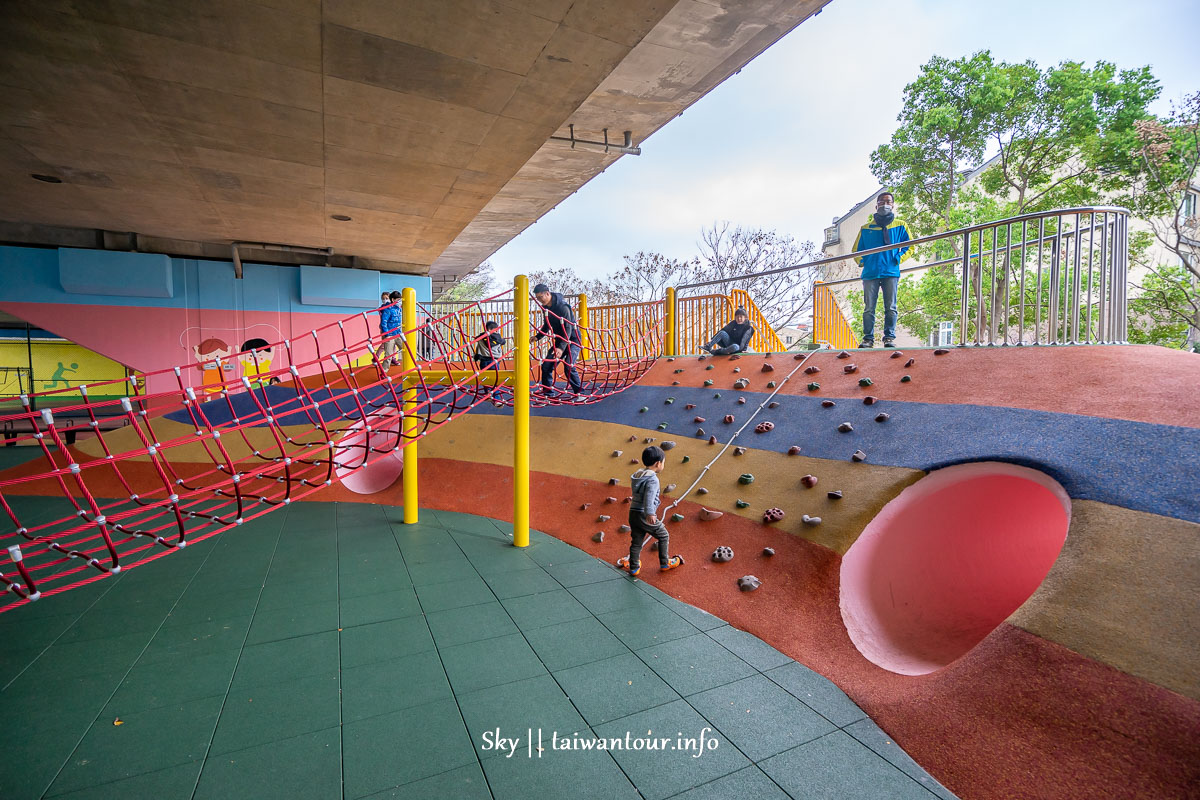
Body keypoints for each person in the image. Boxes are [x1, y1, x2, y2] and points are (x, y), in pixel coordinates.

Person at [852, 191, 912, 348]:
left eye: (888, 202)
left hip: (890, 272)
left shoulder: (900, 225)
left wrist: (898, 258)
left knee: (891, 307)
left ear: (892, 205)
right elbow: (857, 250)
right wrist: (863, 262)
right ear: (876, 205)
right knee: (868, 308)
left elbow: (910, 246)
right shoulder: (866, 228)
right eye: (881, 202)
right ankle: (868, 339)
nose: (885, 204)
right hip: (870, 273)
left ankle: (889, 337)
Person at [622, 445, 684, 577]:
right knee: (663, 535)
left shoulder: (639, 475)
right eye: (664, 462)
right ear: (658, 463)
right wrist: (650, 513)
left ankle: (634, 567)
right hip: (644, 514)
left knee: (637, 541)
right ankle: (665, 562)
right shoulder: (652, 479)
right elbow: (649, 497)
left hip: (633, 512)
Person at [533, 283, 583, 395]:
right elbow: (547, 324)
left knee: (568, 365)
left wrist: (561, 348)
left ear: (547, 293)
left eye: (541, 297)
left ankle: (580, 392)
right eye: (537, 298)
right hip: (560, 340)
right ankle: (547, 392)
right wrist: (538, 336)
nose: (540, 300)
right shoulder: (546, 308)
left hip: (573, 340)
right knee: (546, 365)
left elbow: (568, 328)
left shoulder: (563, 307)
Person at [378, 291, 402, 366]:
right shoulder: (386, 308)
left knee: (406, 349)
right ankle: (378, 359)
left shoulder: (398, 308)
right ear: (392, 299)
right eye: (398, 300)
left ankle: (393, 359)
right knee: (387, 350)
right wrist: (387, 334)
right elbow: (383, 322)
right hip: (389, 332)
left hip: (397, 332)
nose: (399, 301)